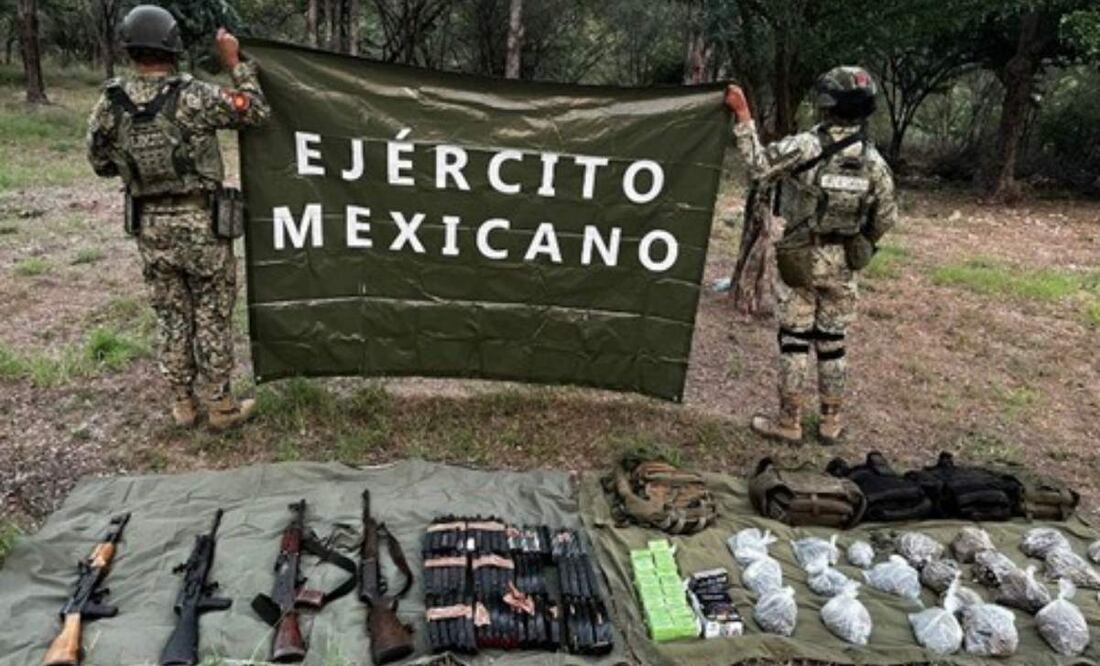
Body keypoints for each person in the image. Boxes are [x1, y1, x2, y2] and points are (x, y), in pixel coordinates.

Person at [86, 5, 270, 430]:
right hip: (202, 224)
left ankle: (183, 404)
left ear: (129, 48)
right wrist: (234, 64)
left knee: (171, 316)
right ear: (173, 46)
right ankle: (221, 406)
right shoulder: (195, 96)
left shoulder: (110, 102)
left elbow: (99, 161)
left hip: (151, 227)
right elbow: (255, 111)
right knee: (211, 313)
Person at [726, 66, 898, 446]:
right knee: (833, 343)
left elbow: (758, 165)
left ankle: (789, 421)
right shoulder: (875, 163)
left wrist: (742, 115)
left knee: (794, 340)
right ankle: (831, 422)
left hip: (800, 257)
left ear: (826, 105)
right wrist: (860, 242)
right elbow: (886, 217)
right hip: (844, 263)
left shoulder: (806, 147)